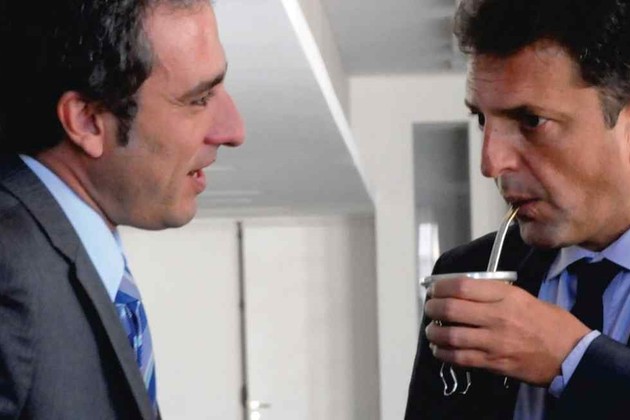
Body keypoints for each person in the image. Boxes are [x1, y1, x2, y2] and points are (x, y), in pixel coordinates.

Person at [0, 0, 244, 418]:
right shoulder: (10, 268)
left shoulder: (55, 256)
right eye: (199, 98)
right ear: (87, 121)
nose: (234, 130)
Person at [405, 0, 630, 419]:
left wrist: (574, 360)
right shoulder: (464, 270)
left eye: (531, 120)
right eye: (482, 120)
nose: (491, 163)